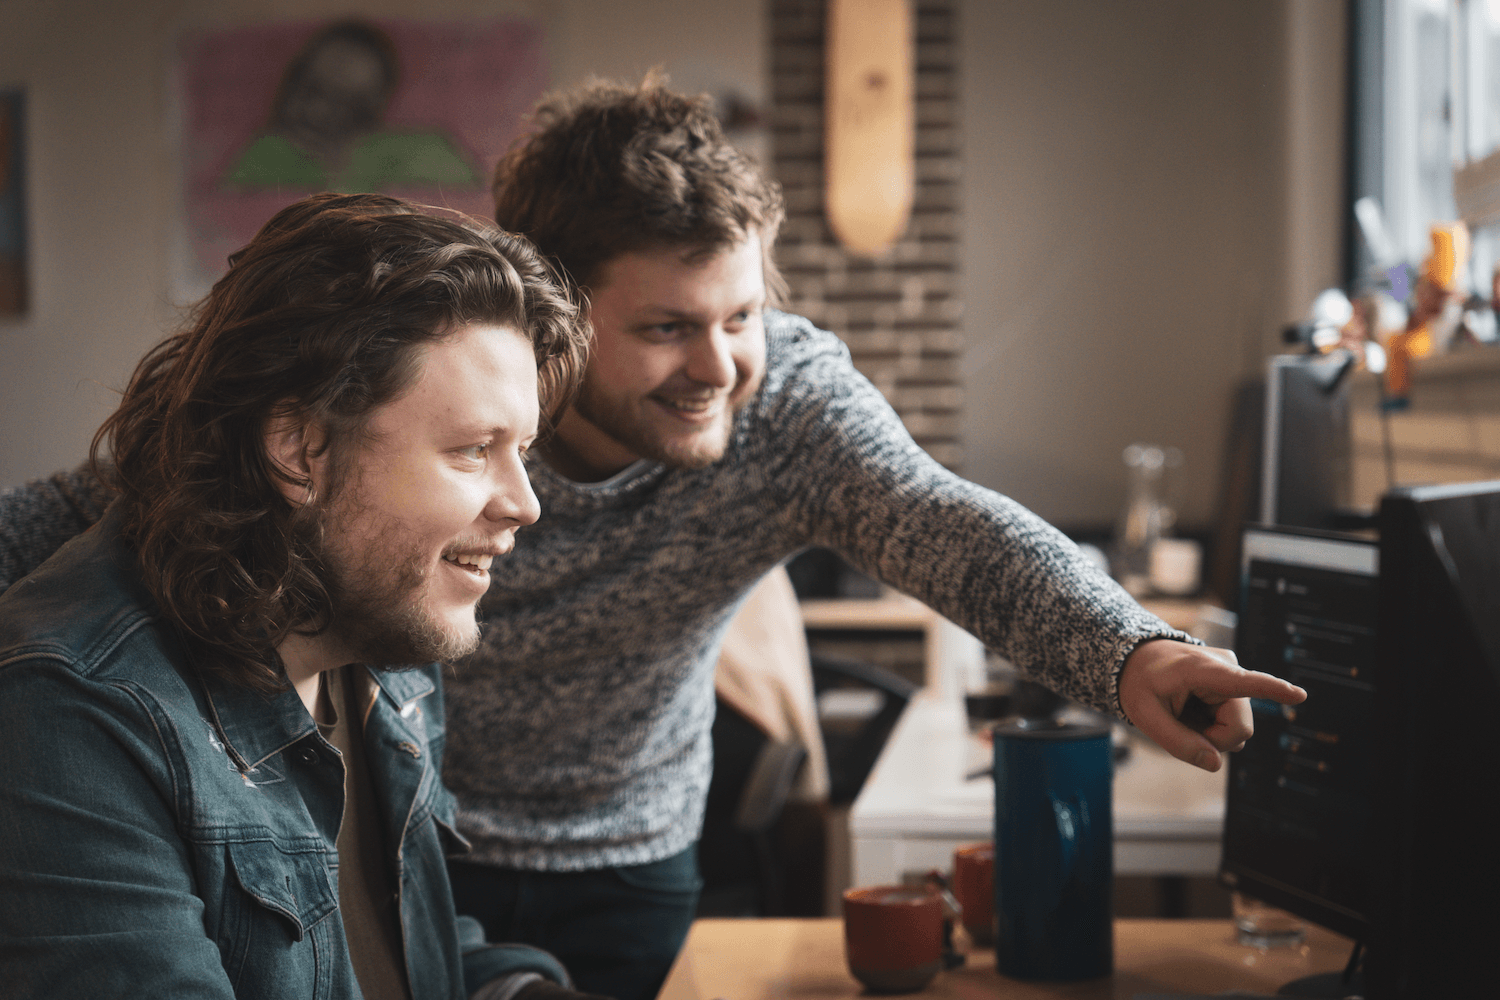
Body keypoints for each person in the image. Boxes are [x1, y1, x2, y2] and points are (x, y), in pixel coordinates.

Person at [0, 80, 1306, 1000]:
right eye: (670, 327)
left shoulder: (780, 398)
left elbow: (940, 520)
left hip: (589, 861)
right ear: (562, 314)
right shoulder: (420, 400)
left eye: (741, 312)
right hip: (405, 824)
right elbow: (97, 521)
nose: (722, 365)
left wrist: (1129, 652)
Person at [0, 192, 594, 1000]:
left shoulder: (382, 618)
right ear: (299, 450)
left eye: (522, 449)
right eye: (472, 450)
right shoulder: (72, 711)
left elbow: (404, 947)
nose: (524, 502)